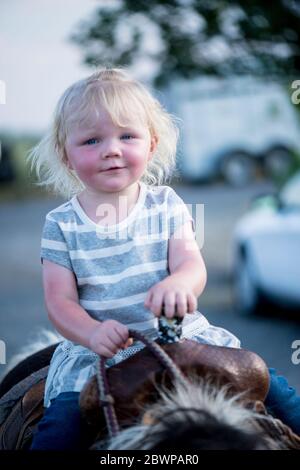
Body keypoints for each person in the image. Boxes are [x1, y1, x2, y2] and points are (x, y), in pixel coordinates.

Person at [28, 68, 300, 449]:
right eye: (91, 140)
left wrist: (179, 283)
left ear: (151, 144)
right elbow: (60, 302)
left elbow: (191, 263)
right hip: (100, 356)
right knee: (61, 430)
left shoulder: (166, 205)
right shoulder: (60, 224)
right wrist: (90, 332)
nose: (111, 149)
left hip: (181, 338)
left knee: (273, 388)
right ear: (65, 154)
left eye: (127, 136)